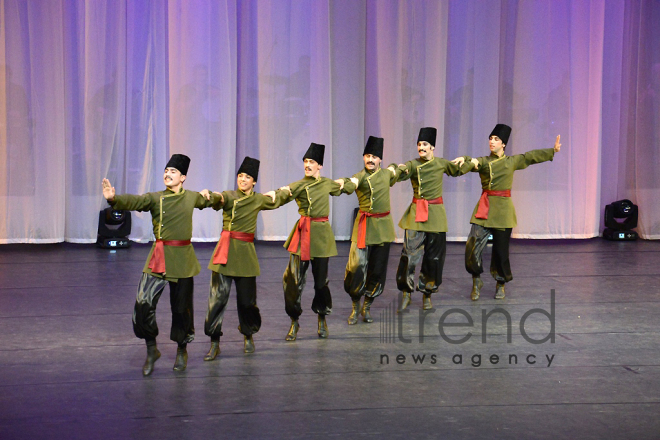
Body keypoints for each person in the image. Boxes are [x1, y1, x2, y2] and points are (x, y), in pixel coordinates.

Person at [101, 154, 214, 376]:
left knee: (181, 309)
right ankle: (152, 348)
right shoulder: (156, 198)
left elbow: (212, 200)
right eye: (166, 171)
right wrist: (114, 199)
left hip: (182, 259)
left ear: (182, 177)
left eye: (173, 172)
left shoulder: (192, 197)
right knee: (143, 303)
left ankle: (182, 349)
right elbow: (136, 201)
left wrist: (212, 193)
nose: (167, 174)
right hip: (159, 256)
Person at [453, 124, 561, 300]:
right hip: (484, 209)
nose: (492, 142)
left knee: (501, 252)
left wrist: (552, 150)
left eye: (496, 139)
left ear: (503, 144)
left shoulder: (511, 161)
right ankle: (476, 280)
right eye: (490, 139)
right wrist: (466, 159)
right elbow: (474, 162)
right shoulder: (483, 161)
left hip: (503, 212)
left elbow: (531, 157)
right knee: (472, 247)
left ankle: (500, 283)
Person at [201, 156, 289, 358]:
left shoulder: (257, 199)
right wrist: (208, 195)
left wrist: (283, 191)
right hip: (225, 252)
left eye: (247, 177)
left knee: (247, 302)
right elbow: (218, 198)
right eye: (240, 176)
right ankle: (214, 342)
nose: (242, 180)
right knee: (217, 300)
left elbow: (276, 200)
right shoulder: (229, 196)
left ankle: (248, 334)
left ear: (254, 181)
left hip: (246, 256)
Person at [280, 143, 356, 340]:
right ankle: (294, 321)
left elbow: (345, 187)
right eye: (305, 161)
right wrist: (273, 194)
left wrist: (351, 181)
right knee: (293, 282)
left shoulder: (326, 183)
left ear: (319, 166)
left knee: (321, 283)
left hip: (321, 236)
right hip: (302, 235)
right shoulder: (298, 185)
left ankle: (322, 318)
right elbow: (281, 195)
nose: (307, 165)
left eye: (311, 162)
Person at [395, 127, 473, 312]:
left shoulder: (441, 164)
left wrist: (466, 159)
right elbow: (400, 173)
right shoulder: (413, 164)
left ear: (432, 148)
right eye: (419, 144)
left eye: (425, 145)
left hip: (436, 215)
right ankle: (406, 292)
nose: (421, 147)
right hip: (416, 214)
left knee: (434, 258)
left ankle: (427, 293)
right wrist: (394, 169)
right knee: (409, 254)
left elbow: (459, 170)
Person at [336, 136, 402, 324]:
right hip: (364, 228)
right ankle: (355, 305)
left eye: (374, 156)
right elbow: (350, 184)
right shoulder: (360, 176)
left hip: (383, 229)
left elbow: (399, 170)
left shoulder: (387, 174)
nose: (370, 160)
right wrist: (341, 183)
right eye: (367, 156)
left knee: (377, 269)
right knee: (356, 267)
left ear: (380, 159)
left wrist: (399, 167)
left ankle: (368, 305)